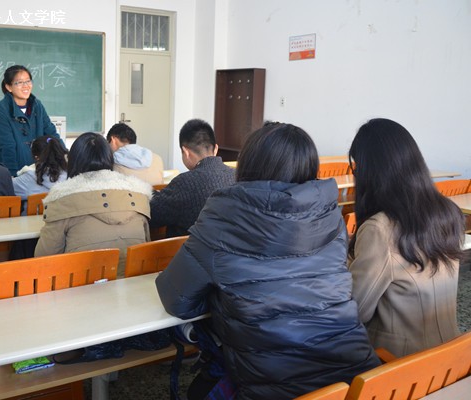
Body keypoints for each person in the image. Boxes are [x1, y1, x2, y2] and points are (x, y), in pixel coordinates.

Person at [156, 122, 380, 400]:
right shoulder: (330, 215)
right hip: (358, 380)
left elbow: (176, 299)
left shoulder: (223, 214)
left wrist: (223, 299)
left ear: (248, 163)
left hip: (277, 387)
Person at [347, 118, 465, 358]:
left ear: (370, 171)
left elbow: (356, 310)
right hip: (450, 353)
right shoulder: (449, 212)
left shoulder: (380, 229)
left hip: (397, 360)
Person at [34, 132, 152, 277]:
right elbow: (146, 244)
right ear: (109, 158)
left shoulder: (62, 198)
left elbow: (44, 259)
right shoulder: (138, 194)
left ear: (72, 160)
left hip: (80, 285)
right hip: (133, 283)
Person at [149, 119, 235, 237]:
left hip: (186, 247)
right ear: (216, 149)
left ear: (186, 152)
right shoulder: (237, 175)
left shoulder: (185, 182)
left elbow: (153, 215)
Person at [0, 65, 65, 176]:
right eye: (19, 82)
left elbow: (52, 134)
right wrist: (12, 175)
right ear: (9, 87)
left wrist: (66, 157)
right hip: (10, 168)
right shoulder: (1, 108)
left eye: (28, 81)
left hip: (36, 169)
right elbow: (7, 146)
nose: (26, 86)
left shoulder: (37, 105)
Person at [13, 135, 68, 215]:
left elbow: (5, 187)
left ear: (36, 157)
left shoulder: (29, 178)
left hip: (31, 222)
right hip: (62, 221)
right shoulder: (71, 175)